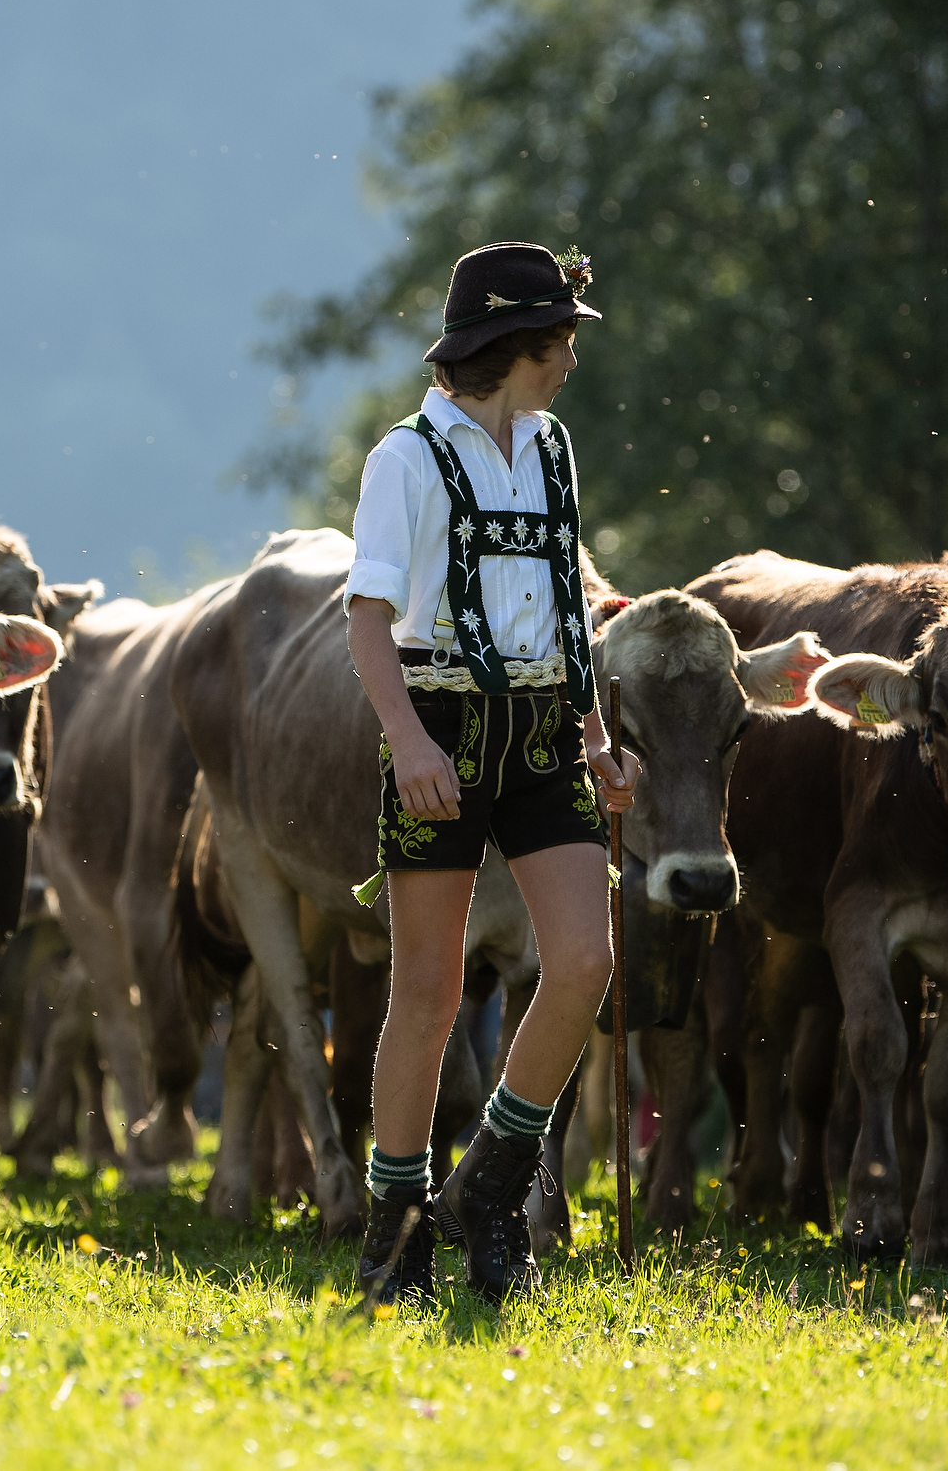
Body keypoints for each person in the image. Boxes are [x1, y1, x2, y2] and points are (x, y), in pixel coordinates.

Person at [342, 241, 635, 1306]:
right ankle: (395, 1236)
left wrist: (598, 736)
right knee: (424, 992)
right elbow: (366, 615)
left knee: (585, 961)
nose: (570, 358)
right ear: (519, 346)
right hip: (440, 723)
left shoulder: (553, 447)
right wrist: (407, 742)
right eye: (561, 340)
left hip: (548, 726)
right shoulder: (406, 458)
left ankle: (491, 1185)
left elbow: (564, 604)